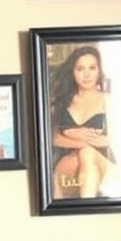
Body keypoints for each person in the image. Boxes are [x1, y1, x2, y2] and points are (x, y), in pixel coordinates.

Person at [50, 44, 115, 198]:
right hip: (67, 162)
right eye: (80, 69)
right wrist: (81, 141)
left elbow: (115, 141)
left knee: (86, 154)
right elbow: (54, 139)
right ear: (72, 72)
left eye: (92, 68)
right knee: (67, 163)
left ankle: (88, 204)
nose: (87, 75)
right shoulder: (61, 101)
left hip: (103, 161)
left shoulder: (108, 100)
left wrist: (83, 142)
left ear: (99, 70)